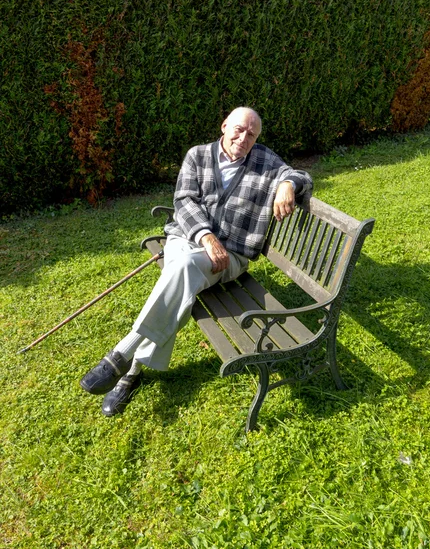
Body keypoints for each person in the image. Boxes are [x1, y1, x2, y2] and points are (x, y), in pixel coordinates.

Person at [80, 107, 313, 416]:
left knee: (183, 269)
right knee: (181, 274)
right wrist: (205, 236)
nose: (244, 139)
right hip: (187, 238)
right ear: (224, 125)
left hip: (229, 257)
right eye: (239, 130)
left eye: (252, 134)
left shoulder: (264, 161)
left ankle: (123, 360)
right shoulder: (197, 156)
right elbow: (184, 201)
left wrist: (288, 185)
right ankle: (131, 370)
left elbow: (300, 177)